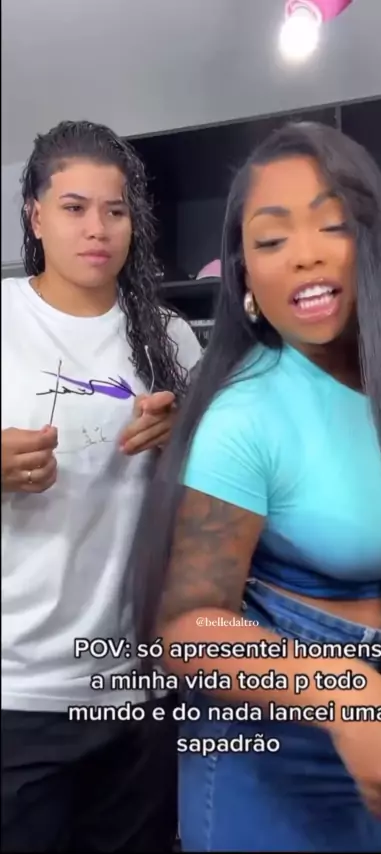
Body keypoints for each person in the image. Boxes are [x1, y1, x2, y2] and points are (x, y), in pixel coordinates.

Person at [134, 122, 381, 852]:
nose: (305, 254)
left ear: (371, 240)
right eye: (271, 239)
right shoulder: (243, 417)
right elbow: (188, 629)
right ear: (244, 276)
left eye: (332, 224)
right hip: (277, 750)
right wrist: (345, 692)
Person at [1, 120, 202, 853]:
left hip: (139, 692)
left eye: (115, 210)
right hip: (17, 691)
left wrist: (185, 437)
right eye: (74, 207)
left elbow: (213, 502)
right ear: (36, 216)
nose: (98, 228)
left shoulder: (171, 336)